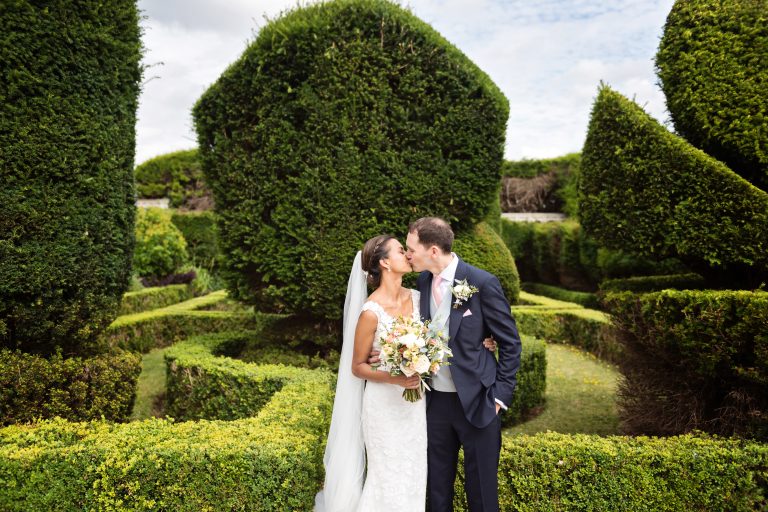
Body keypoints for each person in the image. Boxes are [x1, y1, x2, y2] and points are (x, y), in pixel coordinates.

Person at [316, 233, 498, 512]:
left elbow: (448, 329)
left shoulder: (419, 295)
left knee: (415, 474)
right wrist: (395, 376)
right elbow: (357, 366)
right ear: (385, 262)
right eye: (401, 251)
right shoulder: (370, 312)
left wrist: (486, 338)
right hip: (383, 406)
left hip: (416, 407)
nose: (408, 255)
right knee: (387, 476)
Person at [406, 217, 522, 512]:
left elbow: (510, 342)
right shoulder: (422, 280)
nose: (408, 255)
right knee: (437, 492)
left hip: (479, 401)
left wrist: (498, 397)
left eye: (411, 248)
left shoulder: (481, 283)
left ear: (432, 250)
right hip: (436, 404)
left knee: (482, 494)